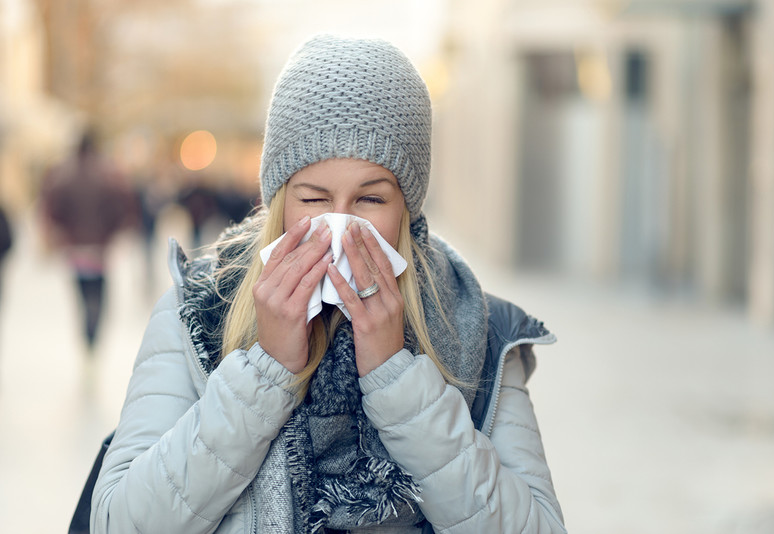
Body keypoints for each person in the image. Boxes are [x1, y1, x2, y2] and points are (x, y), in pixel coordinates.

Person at [90, 35, 567, 533]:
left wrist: (397, 379)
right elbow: (118, 523)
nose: (339, 226)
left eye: (371, 200)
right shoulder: (197, 312)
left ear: (407, 207)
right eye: (314, 200)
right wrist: (264, 373)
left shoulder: (478, 329)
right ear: (279, 201)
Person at [41, 131, 136, 351]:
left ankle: (87, 334)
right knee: (99, 295)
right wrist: (112, 232)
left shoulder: (62, 174)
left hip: (75, 248)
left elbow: (52, 209)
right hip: (100, 249)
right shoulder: (109, 174)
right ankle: (92, 335)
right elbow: (125, 207)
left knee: (82, 295)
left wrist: (62, 234)